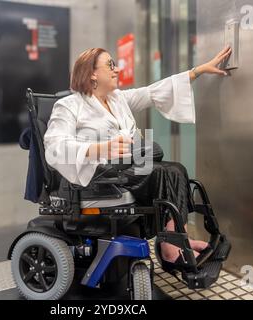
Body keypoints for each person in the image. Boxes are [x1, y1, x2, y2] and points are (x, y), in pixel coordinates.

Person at [44, 47, 231, 267]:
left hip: (126, 168)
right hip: (98, 175)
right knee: (159, 164)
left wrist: (198, 71)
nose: (117, 69)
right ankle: (171, 250)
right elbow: (54, 146)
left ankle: (179, 240)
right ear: (92, 73)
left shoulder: (117, 99)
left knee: (175, 169)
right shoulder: (69, 105)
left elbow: (154, 91)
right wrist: (100, 148)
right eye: (110, 65)